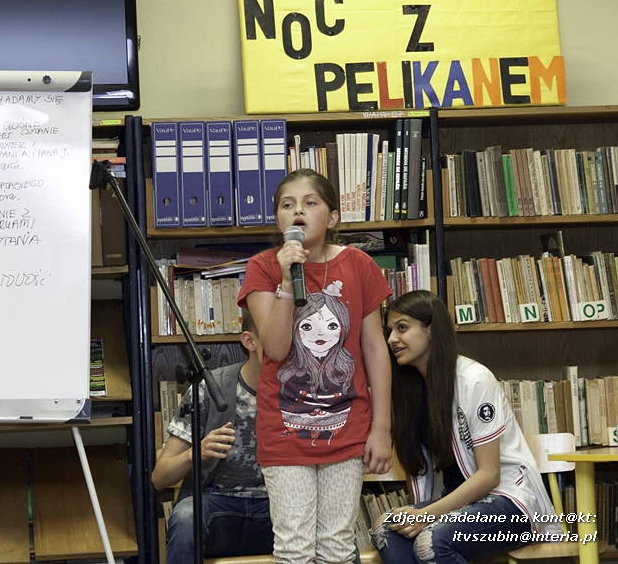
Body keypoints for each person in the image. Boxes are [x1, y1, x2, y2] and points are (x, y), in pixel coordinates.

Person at [238, 169, 393, 564]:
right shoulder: (262, 267)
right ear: (278, 219)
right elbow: (274, 347)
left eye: (310, 203)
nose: (298, 211)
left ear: (334, 217)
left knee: (338, 547)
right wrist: (288, 279)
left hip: (347, 427)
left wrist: (381, 427)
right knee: (294, 548)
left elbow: (375, 348)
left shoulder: (358, 265)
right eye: (287, 205)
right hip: (285, 431)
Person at [372, 290, 561, 564]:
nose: (392, 340)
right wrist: (420, 514)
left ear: (432, 329)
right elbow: (420, 472)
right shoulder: (408, 392)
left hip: (509, 505)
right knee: (387, 529)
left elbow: (489, 475)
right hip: (457, 507)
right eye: (389, 331)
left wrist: (427, 515)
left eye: (402, 328)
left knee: (431, 543)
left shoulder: (474, 379)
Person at [151, 310, 274, 564]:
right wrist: (196, 452)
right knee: (186, 517)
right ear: (249, 341)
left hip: (280, 508)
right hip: (218, 506)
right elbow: (159, 478)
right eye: (277, 337)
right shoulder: (209, 388)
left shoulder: (303, 392)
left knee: (332, 525)